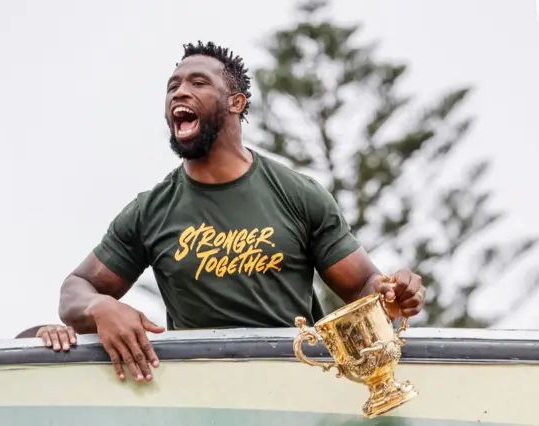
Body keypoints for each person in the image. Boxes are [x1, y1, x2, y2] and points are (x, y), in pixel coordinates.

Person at [58, 41, 427, 383]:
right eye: (172, 86)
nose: (179, 92)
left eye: (198, 83)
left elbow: (362, 285)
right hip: (202, 399)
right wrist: (99, 306)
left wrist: (391, 294)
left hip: (298, 391)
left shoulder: (297, 194)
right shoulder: (149, 211)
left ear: (236, 102)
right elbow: (75, 289)